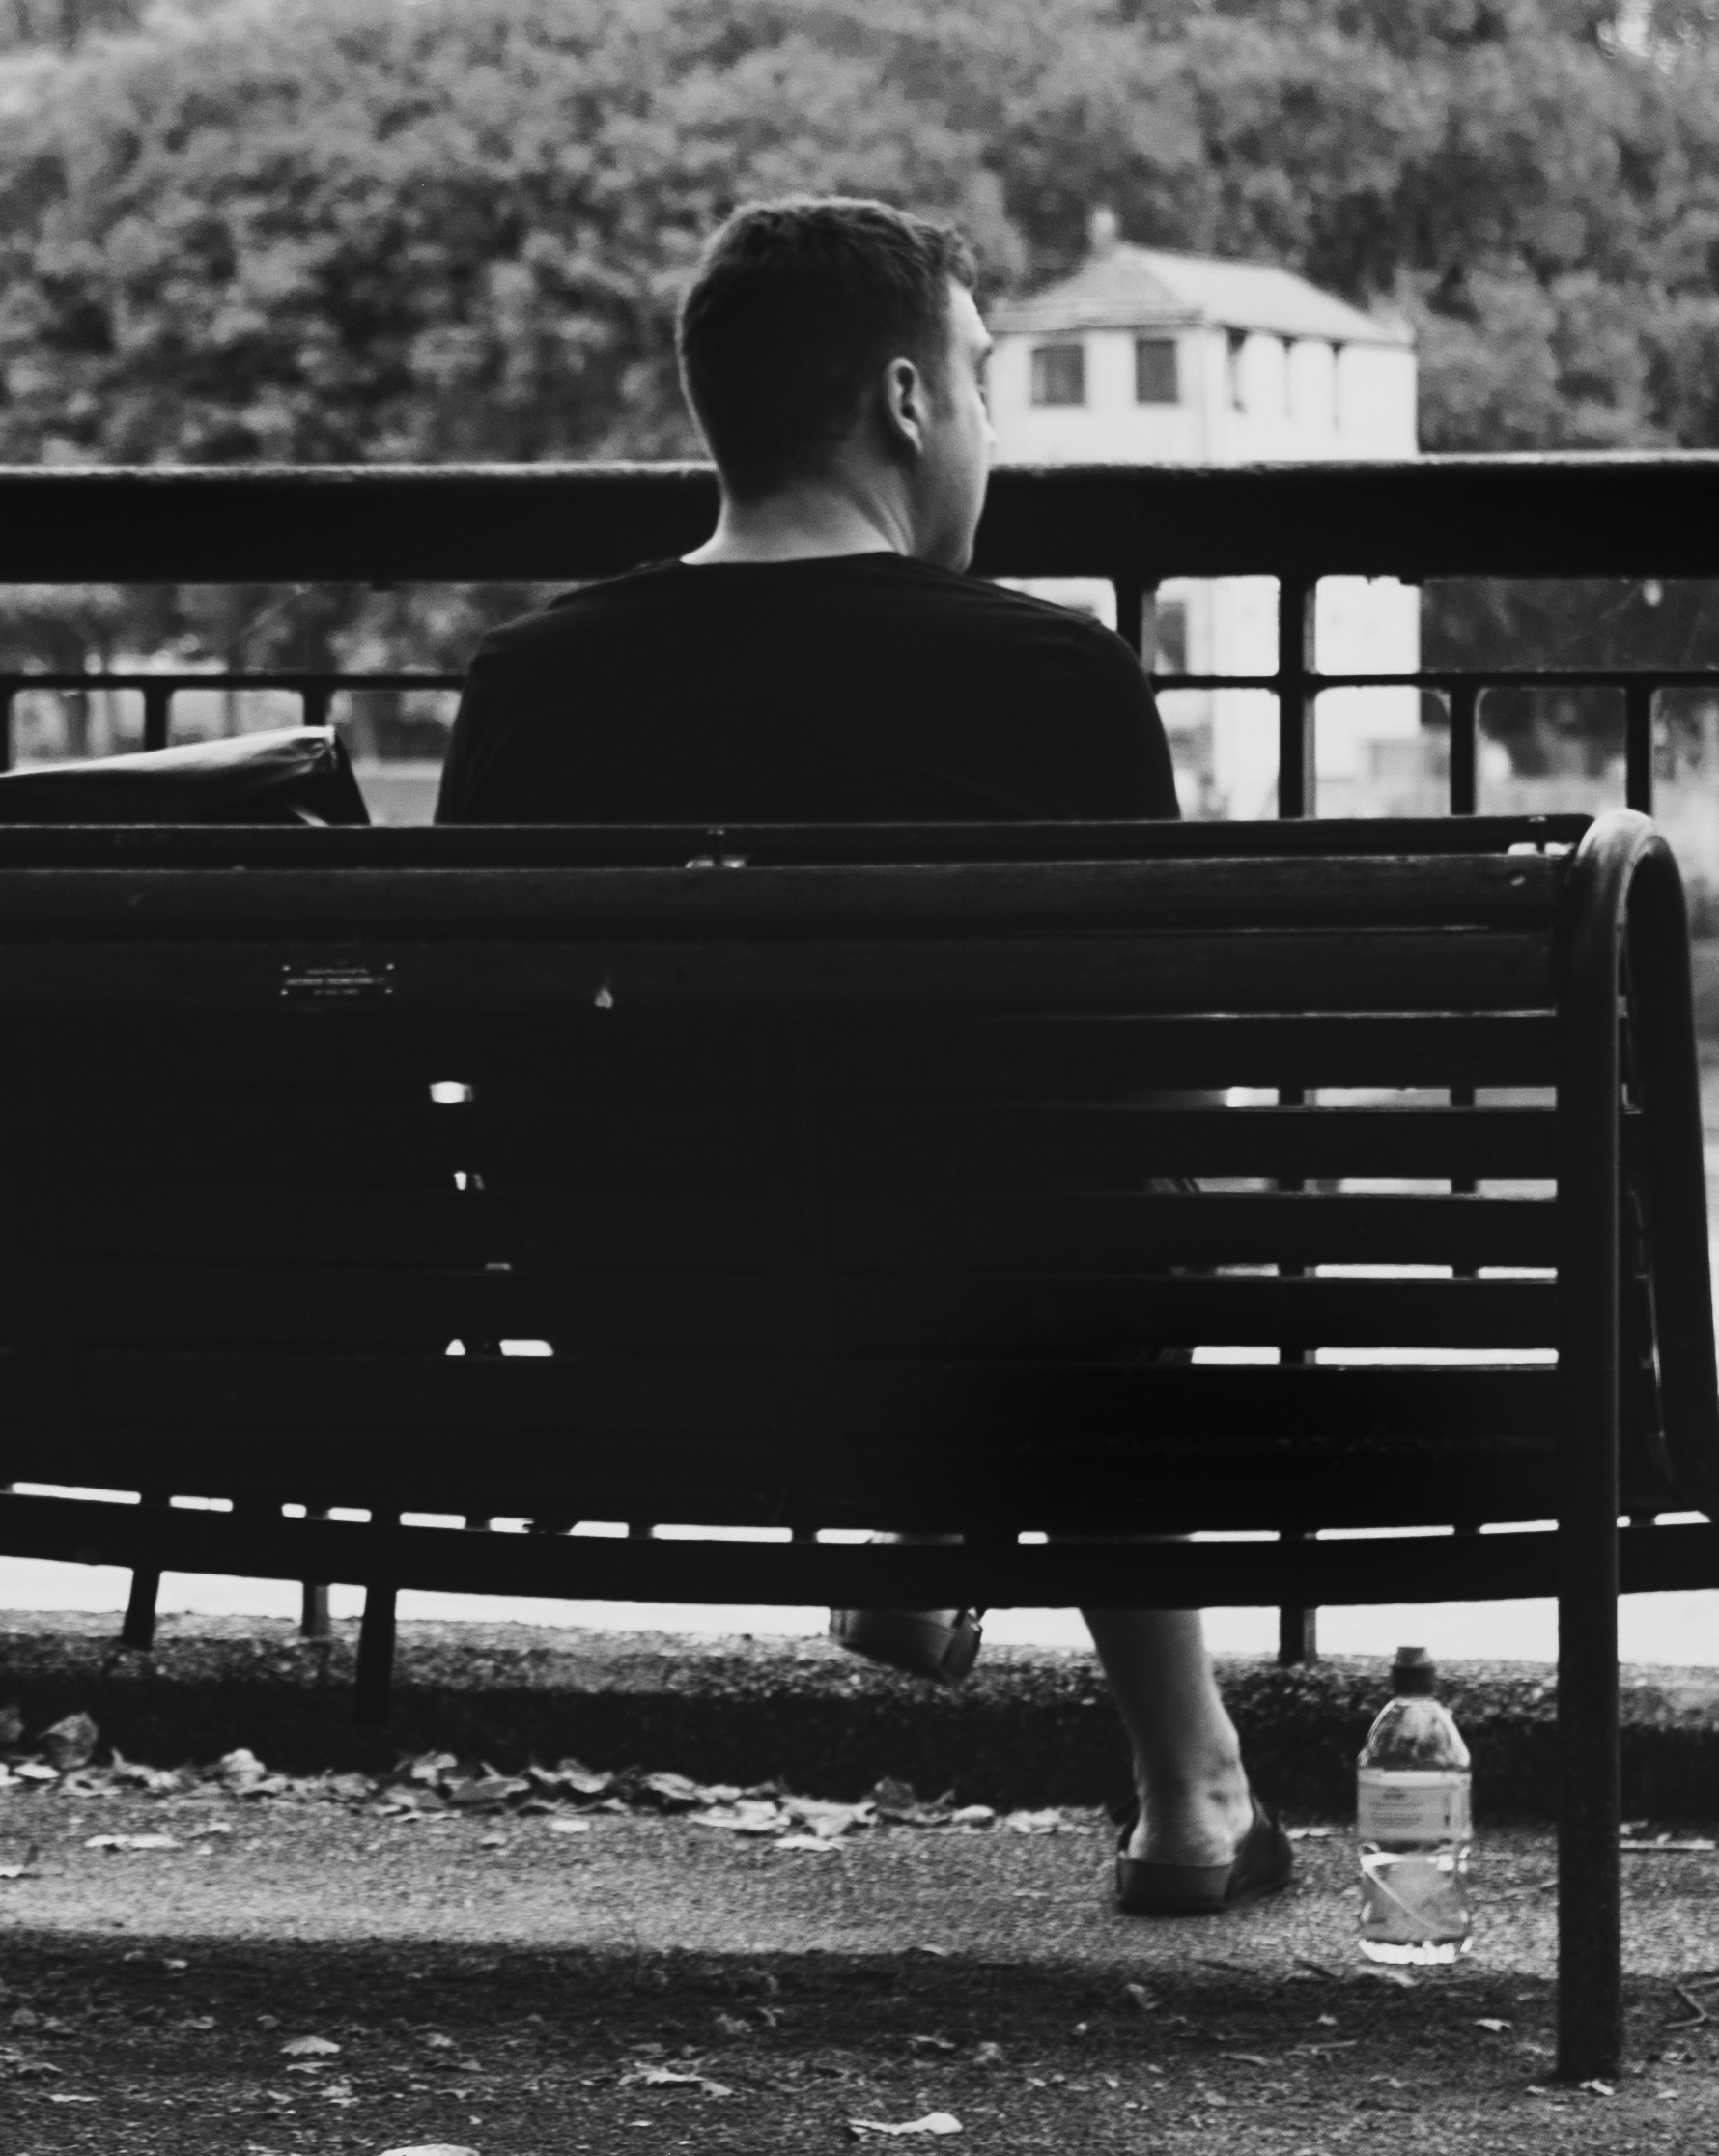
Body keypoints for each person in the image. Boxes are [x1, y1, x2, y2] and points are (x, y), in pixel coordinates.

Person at [433, 194, 1288, 1916]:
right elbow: (1149, 1076)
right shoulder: (1052, 678)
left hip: (635, 1336)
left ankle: (922, 1543)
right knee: (1078, 1225)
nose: (989, 426)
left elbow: (485, 1061)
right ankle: (1191, 1791)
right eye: (982, 380)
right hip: (1013, 1357)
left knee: (942, 1204)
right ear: (907, 405)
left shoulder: (533, 685)